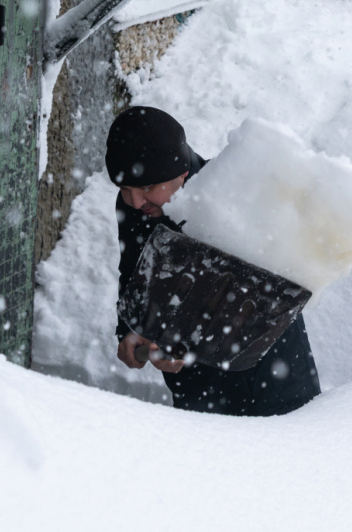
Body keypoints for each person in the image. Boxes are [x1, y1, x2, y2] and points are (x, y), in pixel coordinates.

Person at [105, 106, 321, 416]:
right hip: (197, 390)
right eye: (125, 189)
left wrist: (177, 341)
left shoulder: (228, 197)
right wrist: (131, 329)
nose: (135, 201)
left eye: (147, 187)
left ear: (181, 173)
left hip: (272, 377)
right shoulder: (138, 207)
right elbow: (135, 274)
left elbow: (253, 301)